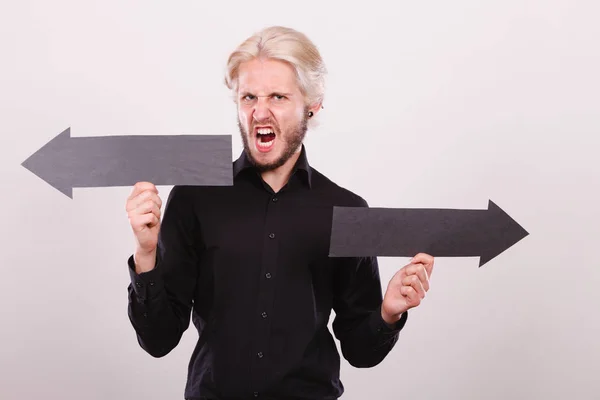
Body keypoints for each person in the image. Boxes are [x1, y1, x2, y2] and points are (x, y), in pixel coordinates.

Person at [125, 26, 434, 400]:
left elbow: (360, 351)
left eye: (278, 96)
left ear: (312, 104)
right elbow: (158, 340)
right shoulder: (195, 197)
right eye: (249, 97)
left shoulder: (346, 210)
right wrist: (146, 255)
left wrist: (388, 311)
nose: (260, 111)